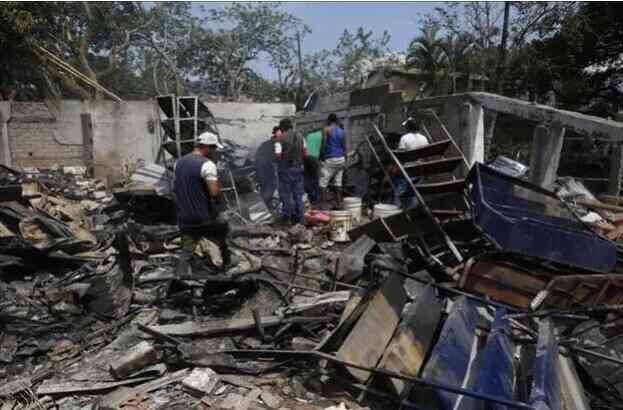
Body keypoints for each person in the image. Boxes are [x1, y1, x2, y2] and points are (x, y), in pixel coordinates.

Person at [174, 131, 231, 268]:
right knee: (224, 232)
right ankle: (226, 267)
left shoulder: (179, 163)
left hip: (184, 216)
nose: (214, 151)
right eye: (213, 148)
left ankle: (180, 276)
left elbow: (175, 188)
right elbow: (214, 192)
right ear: (206, 147)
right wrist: (221, 205)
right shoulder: (207, 165)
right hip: (202, 217)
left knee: (187, 250)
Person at [274, 118, 307, 225]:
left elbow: (278, 156)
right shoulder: (301, 136)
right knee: (298, 195)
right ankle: (301, 218)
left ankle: (287, 218)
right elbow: (305, 154)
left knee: (285, 194)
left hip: (286, 170)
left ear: (282, 127)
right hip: (299, 168)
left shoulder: (279, 139)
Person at [393, 117, 430, 209]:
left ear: (408, 128)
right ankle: (413, 211)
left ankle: (394, 211)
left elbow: (400, 155)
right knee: (415, 192)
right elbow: (427, 155)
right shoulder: (424, 138)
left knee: (399, 190)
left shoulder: (404, 138)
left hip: (408, 170)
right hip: (420, 169)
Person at [319, 113, 347, 208]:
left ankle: (324, 205)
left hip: (331, 158)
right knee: (338, 182)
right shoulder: (342, 131)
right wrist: (345, 158)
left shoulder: (326, 129)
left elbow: (323, 144)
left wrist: (321, 156)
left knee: (323, 183)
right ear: (337, 120)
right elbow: (344, 146)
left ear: (329, 120)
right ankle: (339, 204)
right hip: (341, 159)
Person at [255, 126, 282, 211]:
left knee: (266, 187)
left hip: (261, 168)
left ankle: (266, 206)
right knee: (270, 186)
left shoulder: (266, 143)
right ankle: (263, 208)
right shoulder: (275, 145)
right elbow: (276, 160)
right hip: (265, 168)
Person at [303, 127, 322, 205]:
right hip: (314, 159)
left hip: (305, 158)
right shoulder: (321, 135)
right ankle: (316, 200)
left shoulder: (308, 136)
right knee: (316, 179)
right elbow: (322, 148)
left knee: (308, 178)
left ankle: (310, 197)